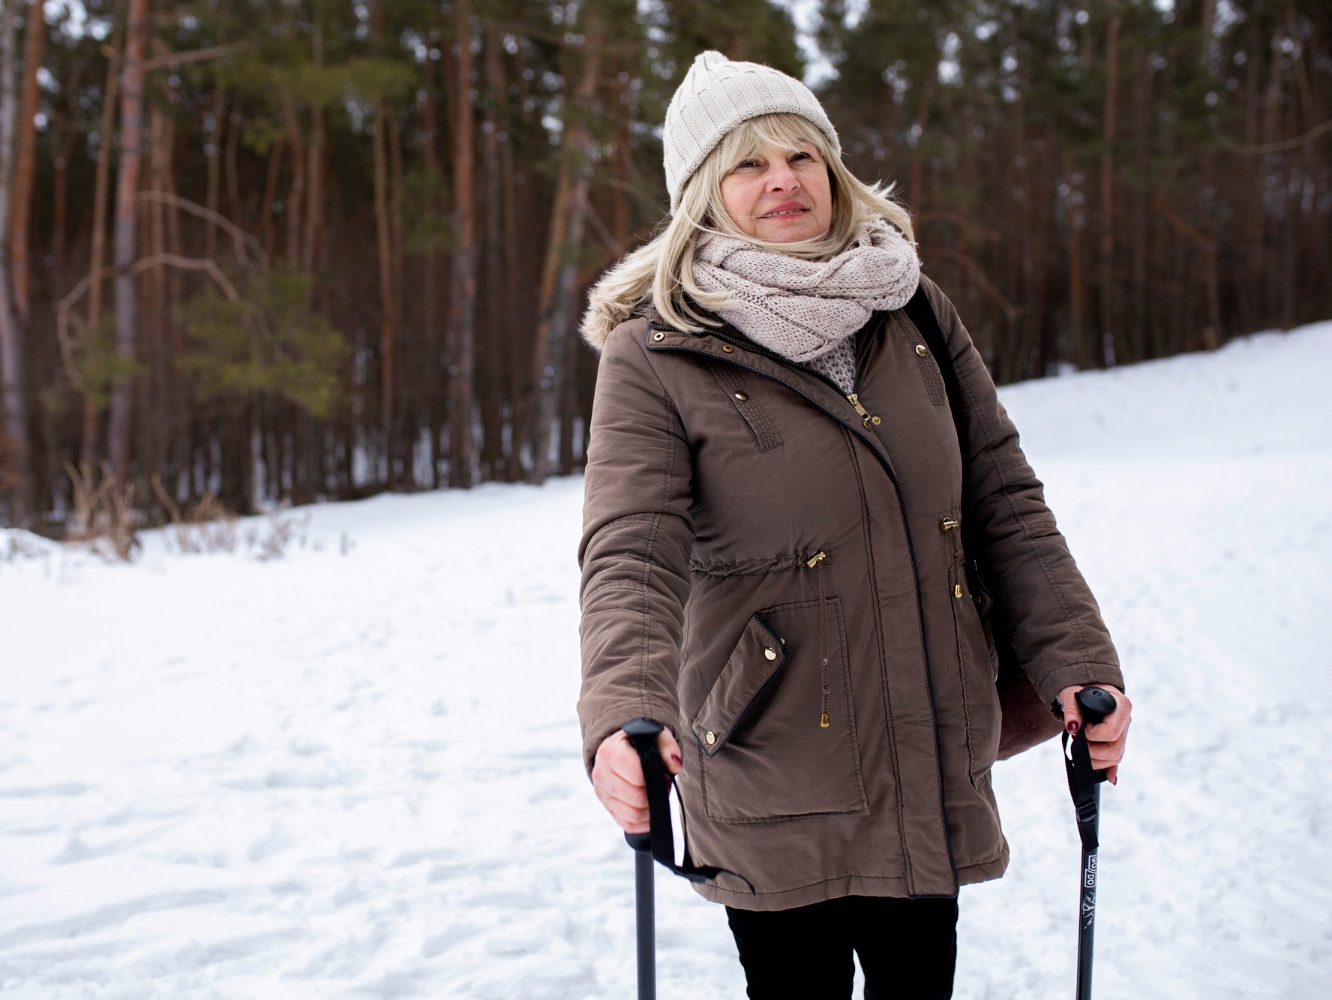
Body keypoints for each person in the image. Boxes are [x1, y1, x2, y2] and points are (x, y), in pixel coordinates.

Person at [576, 51, 1131, 999]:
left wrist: (1077, 661)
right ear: (703, 196)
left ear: (834, 173)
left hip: (925, 748)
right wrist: (622, 709)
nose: (782, 180)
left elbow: (1004, 501)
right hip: (771, 765)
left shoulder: (909, 310)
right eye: (747, 164)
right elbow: (631, 551)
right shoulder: (656, 352)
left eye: (802, 156)